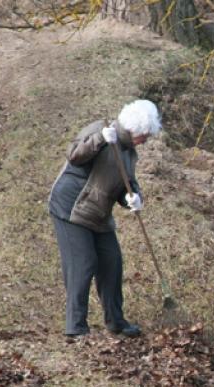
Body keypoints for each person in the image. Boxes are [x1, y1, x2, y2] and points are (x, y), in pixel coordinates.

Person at [47, 99, 162, 338]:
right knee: (83, 262)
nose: (146, 139)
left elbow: (125, 182)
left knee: (112, 263)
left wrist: (133, 198)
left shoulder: (129, 153)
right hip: (71, 208)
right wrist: (99, 139)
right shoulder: (100, 129)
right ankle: (76, 327)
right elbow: (74, 155)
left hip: (98, 212)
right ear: (135, 129)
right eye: (146, 135)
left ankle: (116, 321)